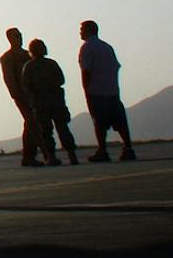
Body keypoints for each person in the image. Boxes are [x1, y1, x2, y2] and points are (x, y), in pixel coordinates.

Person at [78, 20, 137, 161]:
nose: (80, 32)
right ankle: (128, 148)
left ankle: (102, 150)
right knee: (120, 121)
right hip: (112, 90)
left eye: (82, 29)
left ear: (88, 30)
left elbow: (86, 70)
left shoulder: (86, 48)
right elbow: (115, 67)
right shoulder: (107, 47)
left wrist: (86, 88)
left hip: (96, 91)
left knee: (99, 122)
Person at [20, 39, 78, 165]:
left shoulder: (29, 67)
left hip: (40, 104)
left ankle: (51, 157)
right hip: (56, 101)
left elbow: (26, 86)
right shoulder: (52, 64)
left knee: (45, 131)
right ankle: (72, 155)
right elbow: (61, 80)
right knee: (63, 128)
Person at [0, 27, 36, 166]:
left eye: (20, 35)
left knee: (34, 123)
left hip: (33, 94)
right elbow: (9, 78)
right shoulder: (7, 58)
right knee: (31, 122)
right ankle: (29, 156)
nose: (19, 38)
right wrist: (16, 94)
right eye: (16, 36)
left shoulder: (28, 55)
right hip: (21, 95)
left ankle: (34, 154)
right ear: (9, 39)